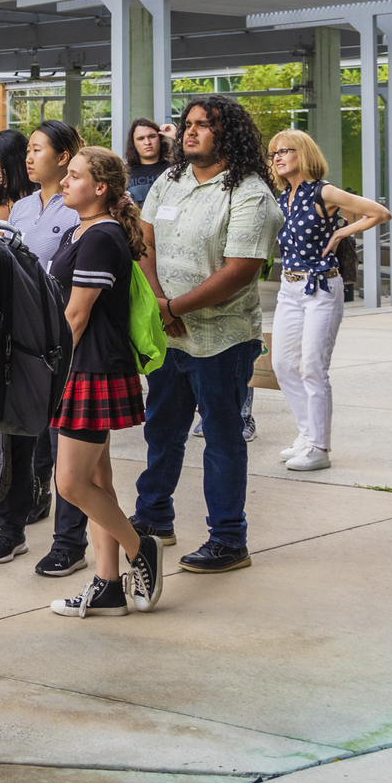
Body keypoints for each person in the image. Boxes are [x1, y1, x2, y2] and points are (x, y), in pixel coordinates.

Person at [134, 95, 281, 573]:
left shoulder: (250, 192)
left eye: (203, 125)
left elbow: (242, 269)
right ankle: (154, 517)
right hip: (169, 334)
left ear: (228, 135)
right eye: (188, 123)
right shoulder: (170, 179)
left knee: (220, 436)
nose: (190, 132)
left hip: (222, 340)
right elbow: (144, 240)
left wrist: (175, 307)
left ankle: (228, 540)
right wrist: (160, 305)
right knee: (162, 428)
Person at [43, 147, 168, 619]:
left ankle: (142, 549)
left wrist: (48, 370)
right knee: (96, 478)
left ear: (100, 188)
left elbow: (76, 315)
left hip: (88, 367)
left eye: (75, 176)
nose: (65, 182)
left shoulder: (101, 236)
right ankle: (109, 585)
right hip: (87, 367)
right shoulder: (85, 230)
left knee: (70, 483)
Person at [0, 120, 93, 576]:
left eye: (37, 149)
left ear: (64, 156)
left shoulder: (78, 210)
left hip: (65, 338)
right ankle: (10, 529)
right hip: (21, 336)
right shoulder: (22, 208)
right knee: (18, 436)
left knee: (60, 447)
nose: (28, 158)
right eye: (27, 150)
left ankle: (67, 540)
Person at [266, 129, 389, 472]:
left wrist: (341, 231)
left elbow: (379, 213)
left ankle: (319, 447)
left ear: (302, 153)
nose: (277, 157)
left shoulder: (324, 191)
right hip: (289, 288)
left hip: (321, 287)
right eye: (273, 152)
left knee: (313, 367)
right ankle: (308, 434)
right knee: (282, 365)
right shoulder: (282, 197)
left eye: (284, 151)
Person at [125, 117, 168, 207]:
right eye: (141, 138)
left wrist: (177, 136)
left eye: (152, 136)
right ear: (133, 143)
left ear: (160, 139)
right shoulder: (124, 173)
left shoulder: (174, 168)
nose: (147, 142)